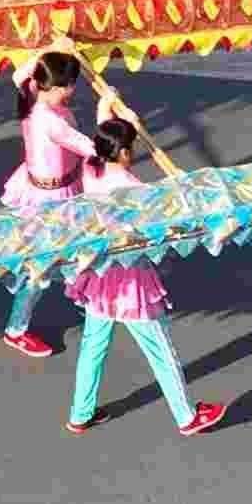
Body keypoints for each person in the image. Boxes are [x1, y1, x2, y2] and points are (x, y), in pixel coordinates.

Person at [49, 111, 226, 436]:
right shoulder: (132, 187)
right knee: (160, 349)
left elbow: (103, 129)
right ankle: (187, 416)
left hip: (98, 274)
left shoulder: (92, 166)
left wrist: (113, 108)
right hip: (129, 280)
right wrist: (183, 186)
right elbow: (168, 210)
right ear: (125, 152)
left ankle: (80, 413)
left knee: (93, 347)